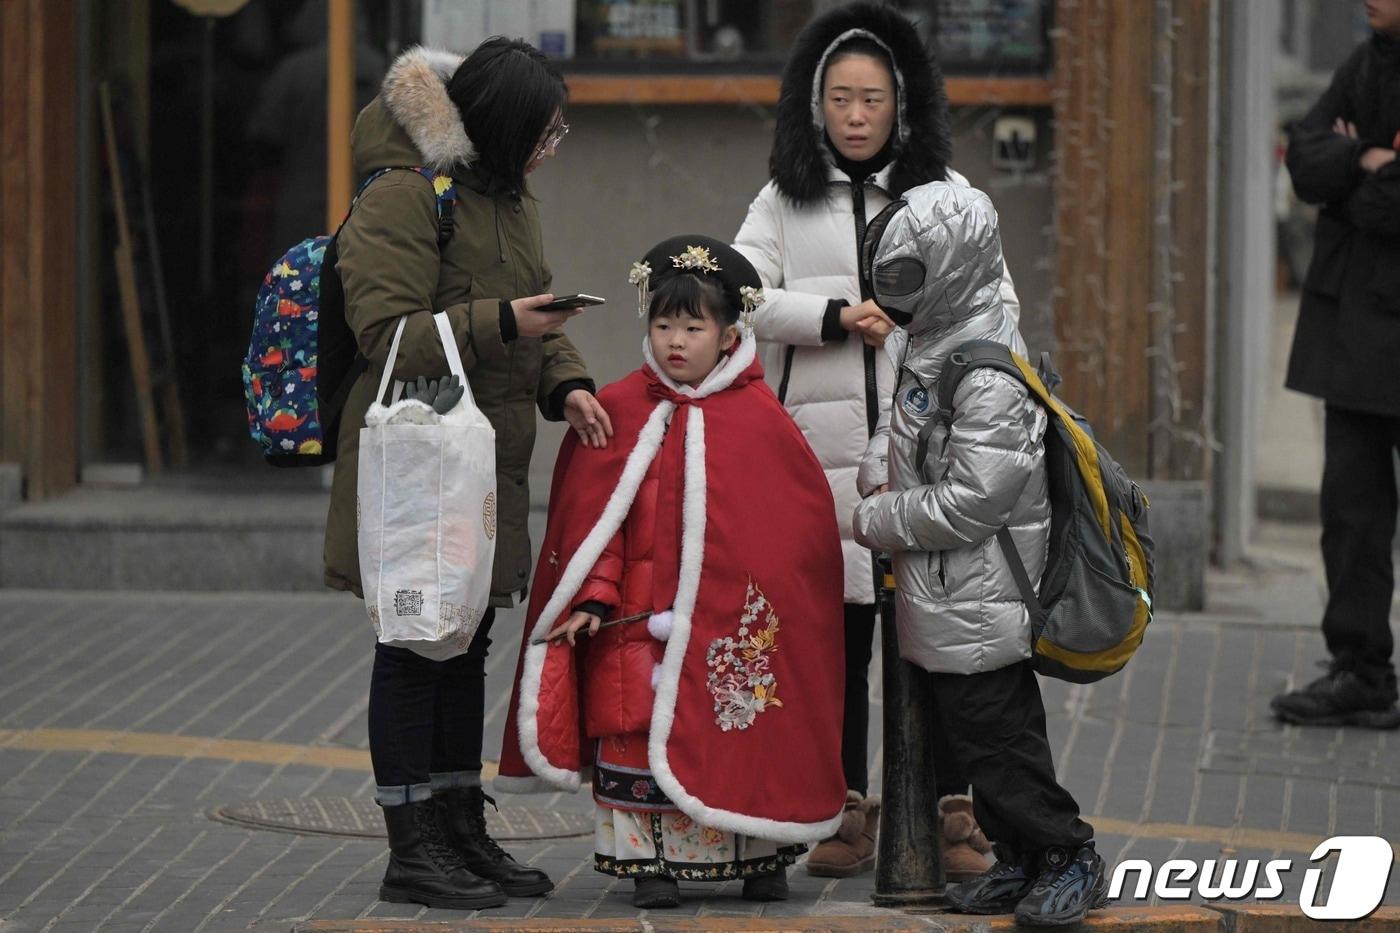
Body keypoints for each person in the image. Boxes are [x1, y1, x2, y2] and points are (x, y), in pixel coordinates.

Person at [731, 0, 1023, 879]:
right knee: (836, 643)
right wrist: (827, 316)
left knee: (941, 640)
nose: (855, 116)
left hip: (925, 460)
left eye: (872, 99)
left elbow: (1000, 310)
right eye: (839, 99)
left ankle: (952, 811)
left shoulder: (951, 198)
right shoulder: (783, 197)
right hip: (814, 465)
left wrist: (914, 323)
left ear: (904, 104)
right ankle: (841, 808)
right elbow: (735, 295)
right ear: (813, 105)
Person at [322, 40, 614, 910]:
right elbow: (386, 335)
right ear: (500, 125)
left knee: (466, 639)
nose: (550, 148)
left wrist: (569, 381)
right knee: (416, 644)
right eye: (545, 131)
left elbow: (535, 307)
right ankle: (410, 845)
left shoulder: (506, 198)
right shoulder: (405, 199)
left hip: (485, 462)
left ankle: (457, 824)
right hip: (416, 464)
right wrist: (502, 323)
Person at [496, 236, 848, 909]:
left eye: (693, 327)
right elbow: (597, 522)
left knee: (744, 732)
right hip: (634, 623)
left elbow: (793, 545)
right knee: (632, 731)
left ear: (729, 333)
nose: (676, 342)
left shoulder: (762, 423)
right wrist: (593, 596)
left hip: (730, 633)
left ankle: (759, 852)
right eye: (663, 325)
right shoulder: (620, 411)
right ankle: (647, 864)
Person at [853, 182, 1105, 926]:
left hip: (981, 592)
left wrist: (880, 515)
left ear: (951, 268)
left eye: (905, 279)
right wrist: (879, 466)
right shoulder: (933, 334)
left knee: (1002, 742)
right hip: (945, 590)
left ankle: (1070, 854)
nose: (892, 296)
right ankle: (1021, 860)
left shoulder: (988, 370)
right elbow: (906, 429)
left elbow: (975, 499)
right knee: (973, 738)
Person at [1271, 0, 1400, 730]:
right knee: (1350, 516)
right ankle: (1360, 670)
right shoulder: (1363, 62)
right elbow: (1303, 155)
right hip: (1352, 336)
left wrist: (1351, 180)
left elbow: (1385, 206)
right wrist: (1362, 157)